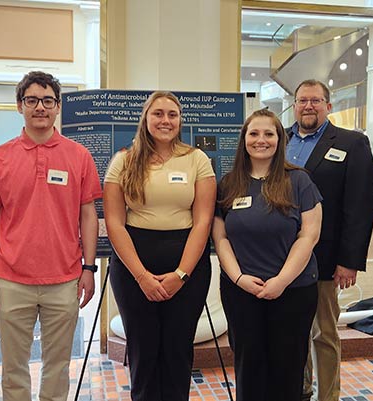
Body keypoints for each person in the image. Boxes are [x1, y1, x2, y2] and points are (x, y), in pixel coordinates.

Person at [0, 71, 101, 401]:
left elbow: (88, 214)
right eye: (32, 100)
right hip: (11, 281)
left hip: (65, 281)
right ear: (20, 106)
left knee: (57, 366)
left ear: (58, 106)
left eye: (48, 101)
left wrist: (89, 269)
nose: (40, 108)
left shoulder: (79, 156)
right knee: (13, 368)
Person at [103, 91, 216, 401]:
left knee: (178, 351)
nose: (165, 120)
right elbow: (114, 223)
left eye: (172, 115)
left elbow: (203, 222)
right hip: (133, 267)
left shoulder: (197, 159)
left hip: (188, 264)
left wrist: (181, 274)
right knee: (144, 352)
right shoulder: (123, 160)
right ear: (146, 118)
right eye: (158, 113)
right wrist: (141, 276)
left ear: (180, 121)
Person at [213, 109, 322, 401]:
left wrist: (282, 281)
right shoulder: (228, 184)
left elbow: (309, 235)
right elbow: (220, 237)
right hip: (242, 292)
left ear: (279, 139)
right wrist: (237, 278)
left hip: (293, 291)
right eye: (254, 133)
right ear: (244, 139)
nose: (261, 140)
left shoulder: (299, 181)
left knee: (287, 370)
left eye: (269, 133)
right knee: (249, 368)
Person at [285, 79, 373, 401]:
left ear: (328, 105)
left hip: (325, 260)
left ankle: (328, 396)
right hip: (281, 260)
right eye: (302, 100)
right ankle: (300, 391)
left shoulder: (352, 143)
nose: (308, 106)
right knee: (293, 333)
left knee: (323, 333)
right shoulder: (279, 139)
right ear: (294, 105)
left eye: (315, 100)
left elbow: (361, 205)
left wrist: (349, 261)